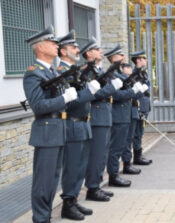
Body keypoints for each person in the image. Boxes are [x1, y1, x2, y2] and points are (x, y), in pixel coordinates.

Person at [23, 25, 78, 223]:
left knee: (53, 180)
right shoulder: (33, 73)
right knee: (43, 181)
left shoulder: (53, 72)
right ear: (40, 47)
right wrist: (65, 98)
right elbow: (38, 106)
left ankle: (45, 216)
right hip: (46, 131)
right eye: (52, 42)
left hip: (58, 130)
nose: (56, 46)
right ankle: (40, 218)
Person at [56, 30, 101, 220]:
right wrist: (90, 92)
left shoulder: (75, 71)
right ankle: (67, 204)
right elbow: (70, 102)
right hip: (72, 124)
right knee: (72, 167)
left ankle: (73, 199)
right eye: (73, 47)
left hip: (84, 124)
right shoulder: (61, 74)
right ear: (63, 52)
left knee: (81, 166)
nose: (77, 49)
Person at [82, 37, 122, 201]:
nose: (100, 51)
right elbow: (94, 94)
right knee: (96, 154)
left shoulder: (99, 72)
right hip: (96, 116)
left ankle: (97, 185)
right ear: (88, 53)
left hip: (105, 115)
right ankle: (92, 188)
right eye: (96, 49)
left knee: (102, 154)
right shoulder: (88, 72)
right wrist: (112, 88)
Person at [105, 44, 148, 187]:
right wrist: (132, 91)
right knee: (115, 147)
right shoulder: (111, 75)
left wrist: (137, 90)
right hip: (118, 115)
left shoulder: (121, 74)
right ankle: (113, 175)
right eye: (119, 55)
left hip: (126, 113)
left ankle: (123, 167)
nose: (123, 57)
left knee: (124, 143)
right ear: (113, 59)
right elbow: (116, 95)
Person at [121, 51, 153, 172]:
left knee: (140, 132)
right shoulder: (134, 75)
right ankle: (135, 157)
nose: (146, 61)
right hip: (138, 106)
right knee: (135, 133)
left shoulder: (143, 73)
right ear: (138, 60)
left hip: (144, 106)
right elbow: (135, 92)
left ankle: (138, 156)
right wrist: (138, 107)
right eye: (144, 59)